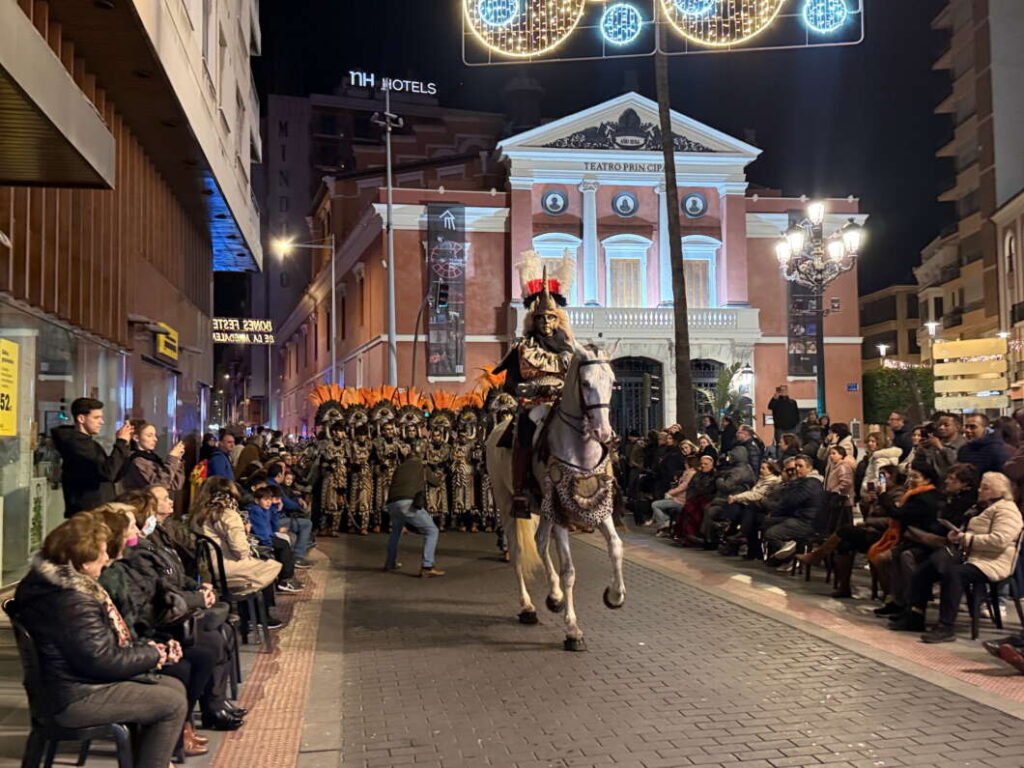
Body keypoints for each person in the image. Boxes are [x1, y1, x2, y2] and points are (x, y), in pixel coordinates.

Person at [10, 514, 188, 768]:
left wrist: (148, 651)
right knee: (171, 703)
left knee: (172, 687)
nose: (107, 558)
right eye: (102, 552)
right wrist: (153, 655)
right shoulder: (72, 600)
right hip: (74, 697)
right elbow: (101, 660)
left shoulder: (49, 585)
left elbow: (94, 651)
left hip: (64, 686)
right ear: (82, 561)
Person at [493, 253, 575, 516]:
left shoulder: (570, 350)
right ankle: (520, 490)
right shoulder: (522, 349)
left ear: (558, 319)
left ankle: (601, 485)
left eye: (551, 318)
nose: (546, 323)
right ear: (533, 320)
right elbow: (511, 385)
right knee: (524, 430)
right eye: (541, 318)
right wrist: (530, 391)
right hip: (535, 403)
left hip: (564, 403)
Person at [903, 472, 1023, 642]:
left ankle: (946, 626)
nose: (980, 490)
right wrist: (958, 535)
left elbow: (1000, 540)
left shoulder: (1007, 510)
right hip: (973, 556)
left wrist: (967, 538)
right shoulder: (984, 506)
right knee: (927, 567)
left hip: (992, 562)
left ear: (998, 491)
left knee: (954, 573)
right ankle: (915, 616)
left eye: (985, 487)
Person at [189, 477, 284, 626]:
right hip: (226, 568)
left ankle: (250, 615)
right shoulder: (227, 515)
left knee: (261, 562)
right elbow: (241, 551)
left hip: (205, 569)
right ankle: (259, 616)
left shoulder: (197, 514)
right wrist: (245, 533)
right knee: (272, 564)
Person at [52, 397, 134, 517]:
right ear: (81, 418)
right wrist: (120, 443)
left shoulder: (90, 443)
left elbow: (114, 474)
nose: (101, 422)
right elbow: (108, 472)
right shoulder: (76, 444)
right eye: (96, 417)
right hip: (89, 513)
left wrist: (125, 446)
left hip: (100, 510)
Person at [384, 452, 445, 577]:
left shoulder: (399, 468)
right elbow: (435, 482)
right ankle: (427, 566)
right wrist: (438, 471)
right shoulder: (421, 466)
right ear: (420, 458)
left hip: (392, 504)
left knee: (396, 531)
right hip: (407, 502)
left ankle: (390, 562)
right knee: (432, 530)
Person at [762, 454, 825, 563]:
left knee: (771, 534)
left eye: (800, 466)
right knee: (767, 521)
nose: (796, 469)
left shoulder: (810, 483)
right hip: (800, 517)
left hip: (807, 522)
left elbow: (791, 501)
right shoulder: (802, 482)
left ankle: (790, 556)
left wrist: (774, 509)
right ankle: (782, 555)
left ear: (809, 468)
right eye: (795, 466)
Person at [245, 487, 303, 593]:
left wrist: (276, 507)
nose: (268, 502)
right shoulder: (256, 511)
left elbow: (274, 526)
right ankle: (285, 580)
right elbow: (261, 531)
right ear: (257, 500)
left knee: (285, 542)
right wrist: (269, 543)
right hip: (262, 540)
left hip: (269, 537)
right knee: (283, 544)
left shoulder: (266, 510)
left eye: (270, 499)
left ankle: (287, 577)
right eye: (265, 499)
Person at [265, 463, 314, 568]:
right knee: (307, 524)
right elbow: (286, 503)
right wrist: (300, 506)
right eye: (283, 473)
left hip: (276, 517)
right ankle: (298, 556)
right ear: (279, 475)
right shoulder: (273, 486)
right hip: (276, 520)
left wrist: (297, 499)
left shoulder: (271, 483)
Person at [119, 420, 185, 492]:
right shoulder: (137, 460)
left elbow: (175, 485)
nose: (155, 439)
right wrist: (172, 459)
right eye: (149, 436)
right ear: (136, 438)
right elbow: (159, 485)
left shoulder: (153, 458)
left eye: (155, 435)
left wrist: (177, 461)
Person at [858, 432, 901, 511]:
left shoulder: (880, 459)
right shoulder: (874, 457)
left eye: (873, 441)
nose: (870, 444)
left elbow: (880, 477)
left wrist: (868, 488)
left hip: (874, 496)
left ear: (880, 442)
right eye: (868, 441)